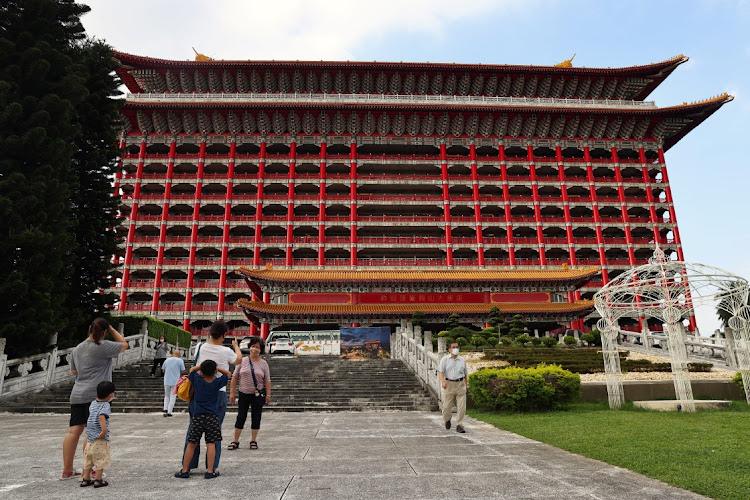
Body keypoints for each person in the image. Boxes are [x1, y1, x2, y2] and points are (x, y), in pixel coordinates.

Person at [62, 318, 128, 480]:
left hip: (77, 394)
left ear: (90, 329)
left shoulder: (77, 349)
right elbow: (124, 345)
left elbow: (73, 372)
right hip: (96, 396)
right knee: (92, 433)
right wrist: (113, 330)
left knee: (73, 431)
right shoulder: (103, 346)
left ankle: (67, 470)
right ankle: (89, 470)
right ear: (104, 332)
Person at [182, 320, 241, 474]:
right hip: (218, 394)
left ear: (209, 333)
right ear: (224, 335)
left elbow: (194, 369)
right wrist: (236, 347)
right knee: (214, 434)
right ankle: (211, 468)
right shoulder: (226, 351)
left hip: (198, 393)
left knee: (192, 432)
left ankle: (187, 467)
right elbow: (238, 361)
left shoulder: (199, 348)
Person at [175, 360, 231, 479]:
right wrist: (218, 369)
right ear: (214, 372)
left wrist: (200, 366)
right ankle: (210, 471)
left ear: (202, 370)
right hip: (212, 417)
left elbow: (191, 371)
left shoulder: (197, 381)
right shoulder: (216, 383)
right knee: (211, 443)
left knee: (191, 443)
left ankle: (184, 470)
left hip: (198, 416)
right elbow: (228, 374)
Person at [228, 337, 271, 450]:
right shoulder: (242, 361)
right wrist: (232, 392)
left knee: (256, 417)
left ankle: (253, 440)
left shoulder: (264, 364)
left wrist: (268, 395)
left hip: (257, 395)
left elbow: (267, 380)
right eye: (253, 346)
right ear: (249, 347)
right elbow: (234, 377)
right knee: (241, 416)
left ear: (261, 350)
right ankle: (235, 440)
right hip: (244, 393)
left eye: (257, 347)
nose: (255, 349)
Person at [80, 381, 115, 488]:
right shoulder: (105, 405)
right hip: (100, 438)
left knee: (88, 459)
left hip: (90, 437)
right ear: (110, 395)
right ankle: (98, 480)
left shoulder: (93, 403)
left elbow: (91, 418)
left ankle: (86, 479)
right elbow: (101, 417)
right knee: (100, 459)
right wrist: (103, 431)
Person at [438, 341, 468, 434]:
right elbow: (441, 372)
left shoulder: (462, 360)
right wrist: (443, 381)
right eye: (453, 347)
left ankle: (459, 425)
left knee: (461, 406)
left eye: (457, 347)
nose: (455, 349)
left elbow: (465, 374)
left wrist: (466, 385)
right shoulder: (445, 359)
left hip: (460, 384)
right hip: (449, 384)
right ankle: (447, 419)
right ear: (449, 349)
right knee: (447, 406)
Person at [161, 350, 185, 417]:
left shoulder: (167, 360)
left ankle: (165, 408)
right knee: (173, 396)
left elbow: (163, 370)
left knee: (166, 395)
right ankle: (169, 411)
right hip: (175, 381)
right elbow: (183, 370)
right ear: (179, 354)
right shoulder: (180, 361)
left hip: (166, 380)